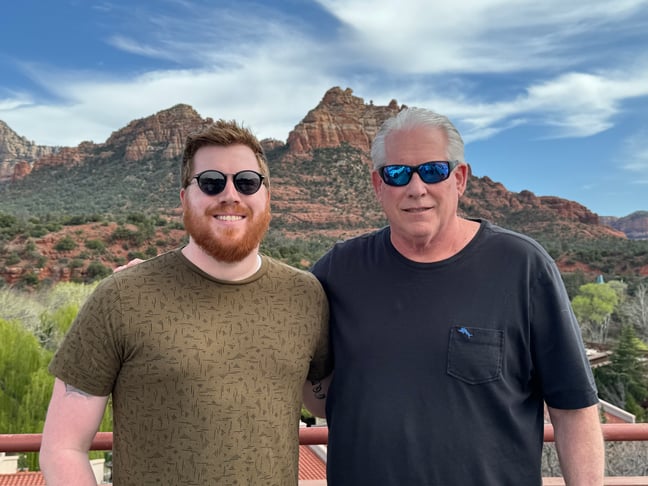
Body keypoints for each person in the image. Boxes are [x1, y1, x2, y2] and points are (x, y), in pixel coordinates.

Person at [303, 107, 605, 485]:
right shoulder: (339, 269)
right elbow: (299, 369)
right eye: (397, 174)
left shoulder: (522, 266)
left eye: (433, 171)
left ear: (459, 178)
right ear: (379, 186)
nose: (416, 189)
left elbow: (573, 409)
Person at [40, 120, 331, 486]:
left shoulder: (305, 295)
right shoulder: (122, 297)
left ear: (266, 196)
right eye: (211, 182)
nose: (230, 195)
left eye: (247, 182)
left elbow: (323, 399)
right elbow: (62, 447)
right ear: (184, 198)